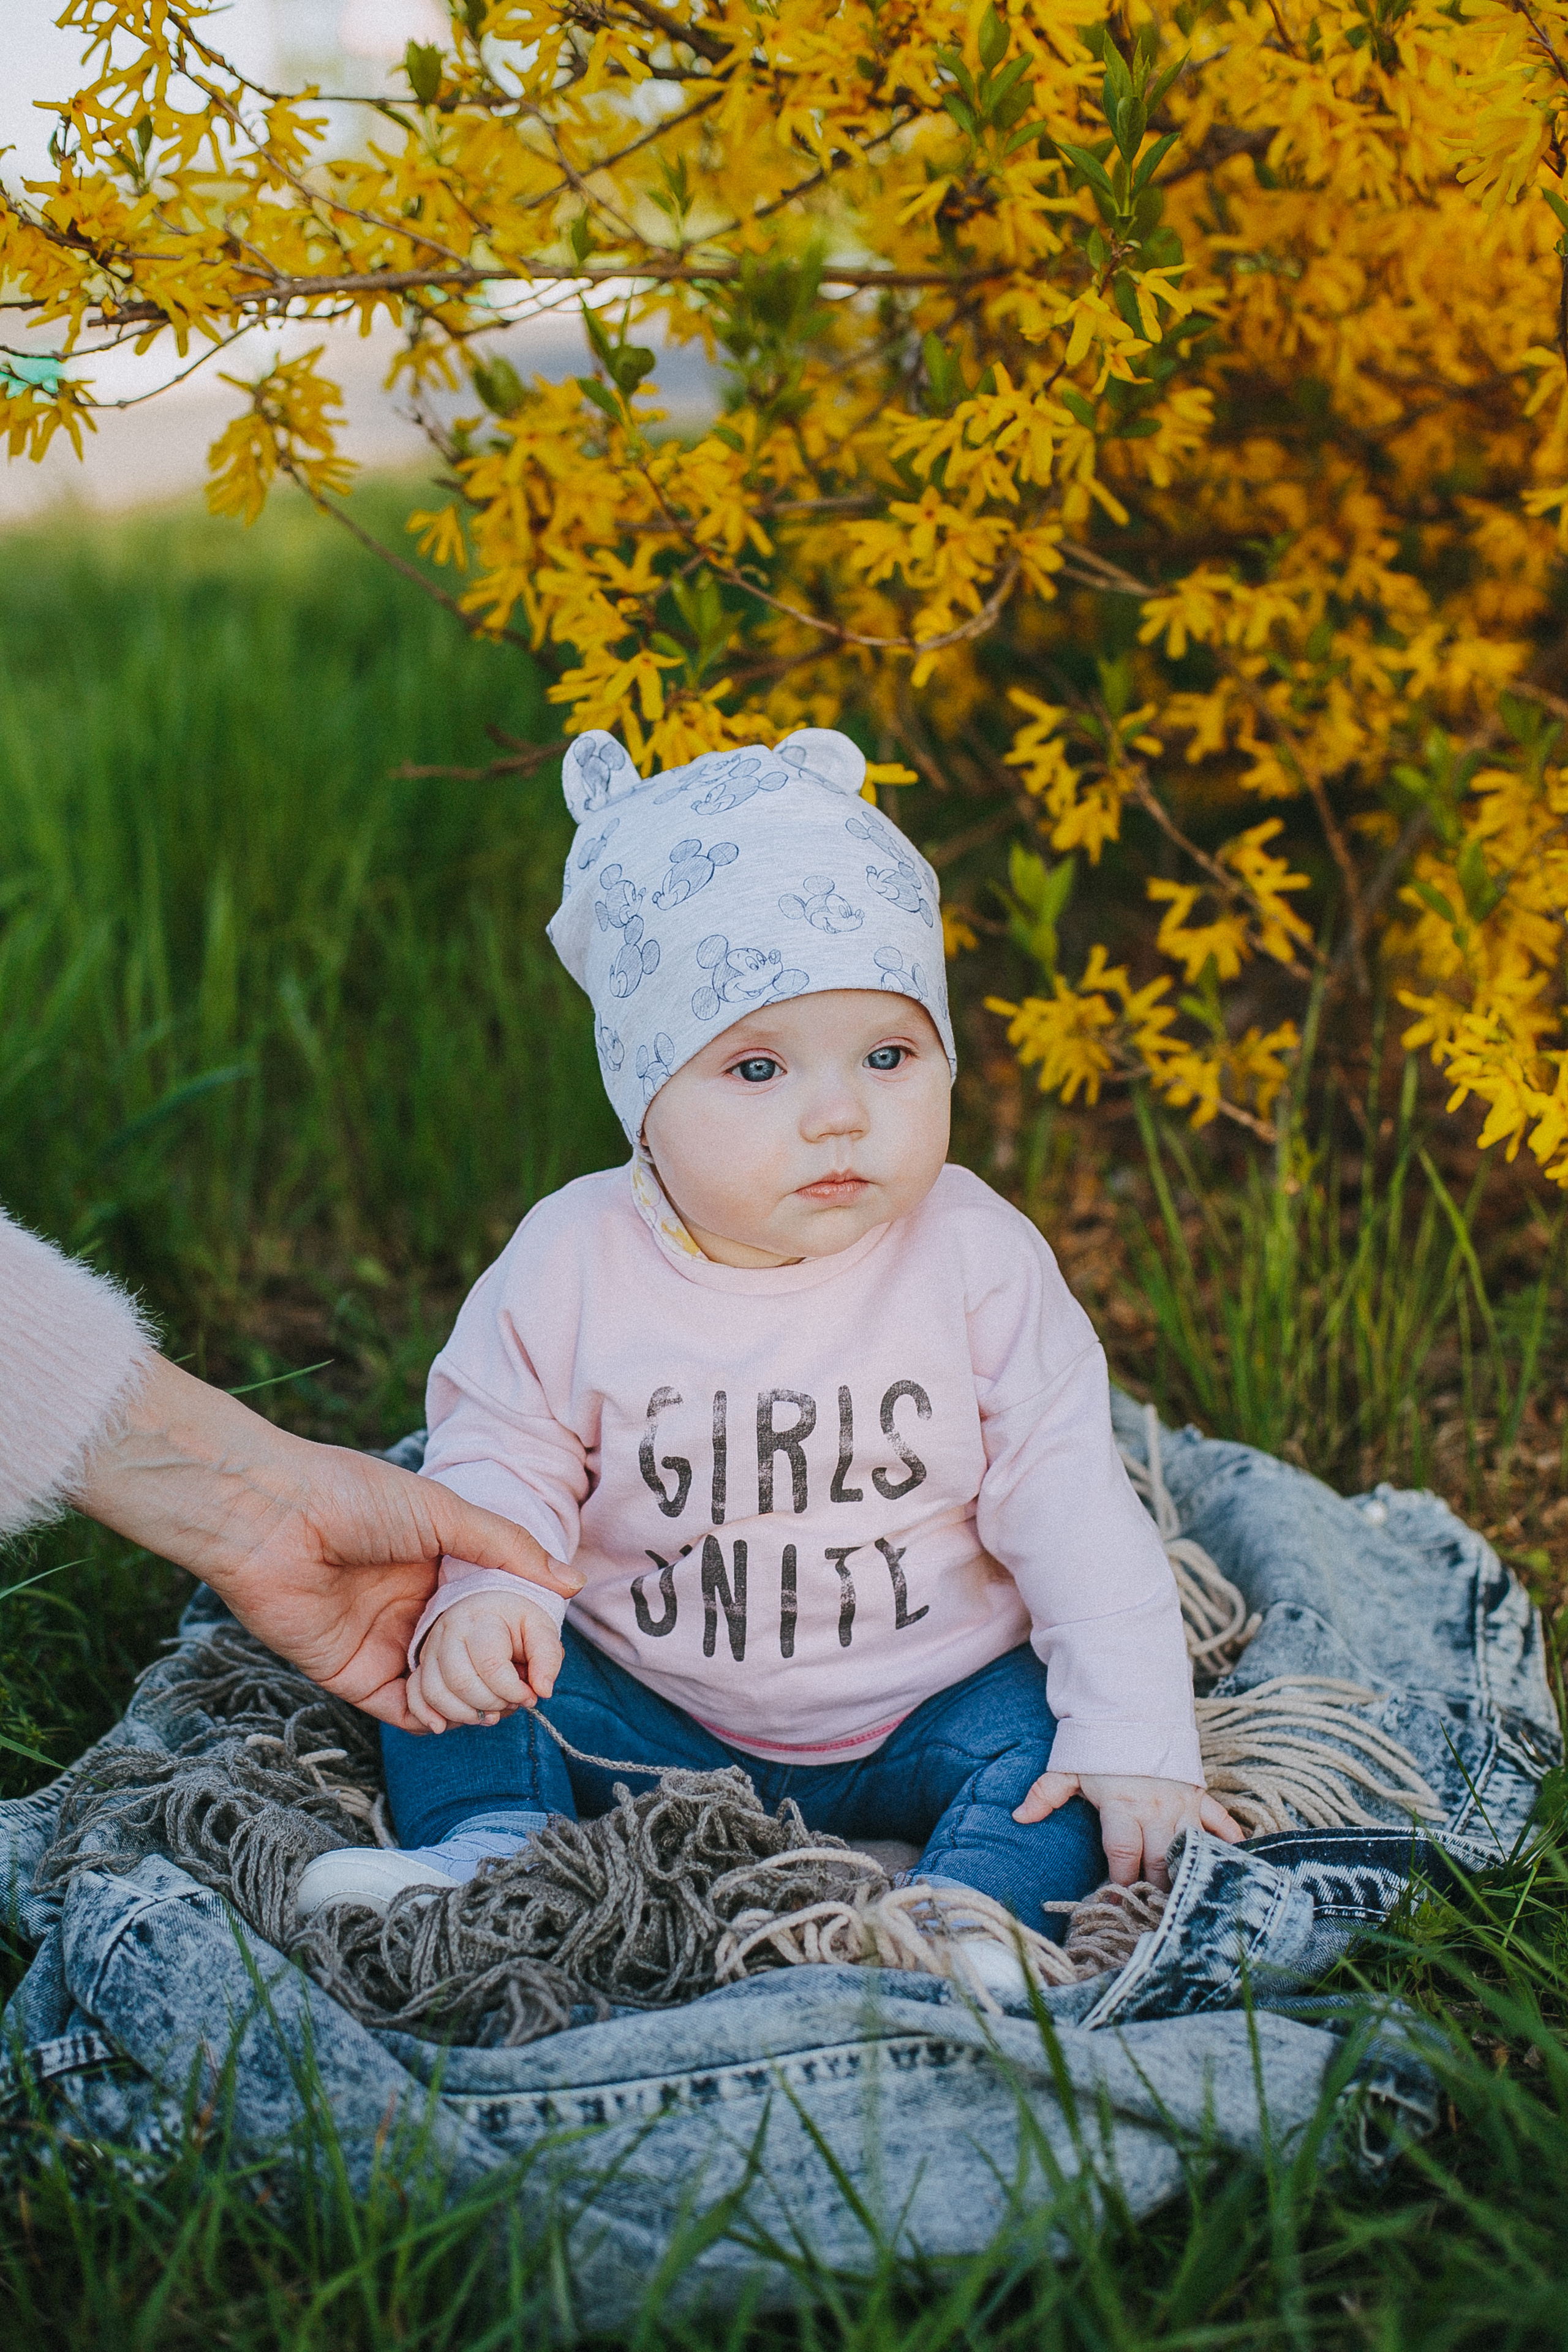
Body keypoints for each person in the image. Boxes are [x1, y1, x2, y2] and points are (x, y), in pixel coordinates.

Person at [299, 727, 1242, 1983]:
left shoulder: (975, 1255)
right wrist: (492, 1599)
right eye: (757, 1067)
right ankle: (493, 1853)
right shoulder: (572, 1259)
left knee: (1056, 1743)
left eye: (889, 1056)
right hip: (645, 1705)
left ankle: (971, 1915)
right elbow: (502, 1451)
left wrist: (1134, 1731)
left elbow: (1069, 1494)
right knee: (445, 1658)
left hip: (930, 1704)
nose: (839, 1113)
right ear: (643, 1098)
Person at [0, 1210, 581, 1731]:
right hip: (584, 1645)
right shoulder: (571, 1250)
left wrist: (262, 1513)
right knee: (445, 1680)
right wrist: (488, 1590)